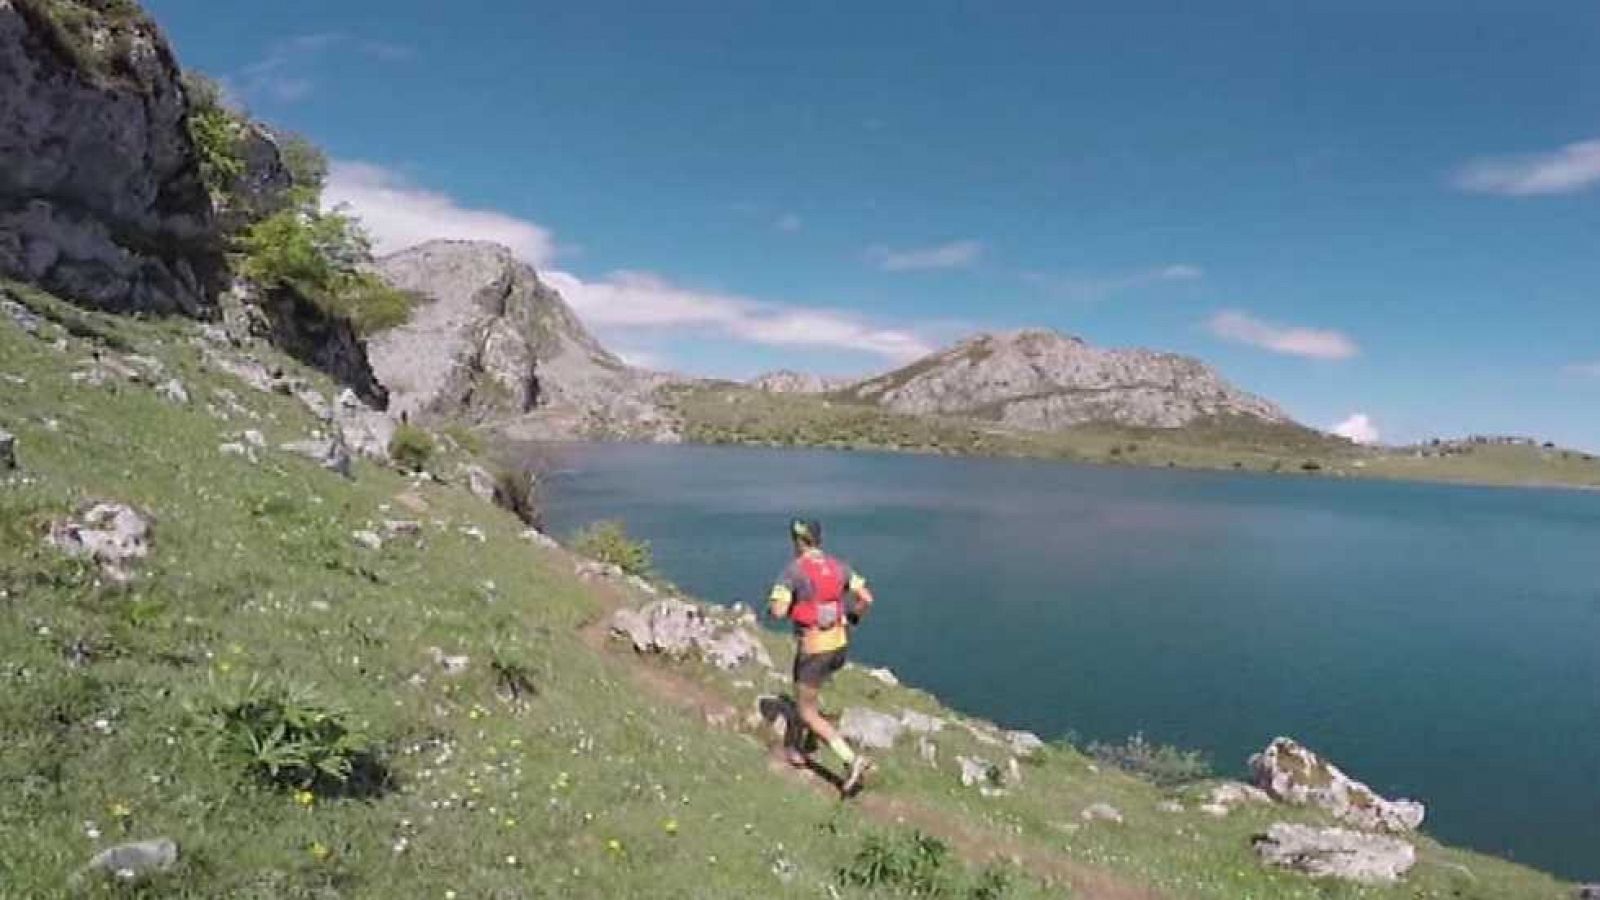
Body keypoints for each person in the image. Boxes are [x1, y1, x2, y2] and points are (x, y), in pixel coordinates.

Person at [767, 517, 876, 795]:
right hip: (839, 645)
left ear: (798, 541)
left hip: (814, 648)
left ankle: (851, 760)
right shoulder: (840, 567)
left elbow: (778, 611)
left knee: (806, 709)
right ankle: (794, 748)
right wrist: (852, 616)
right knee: (803, 694)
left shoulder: (793, 572)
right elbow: (867, 598)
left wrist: (779, 607)